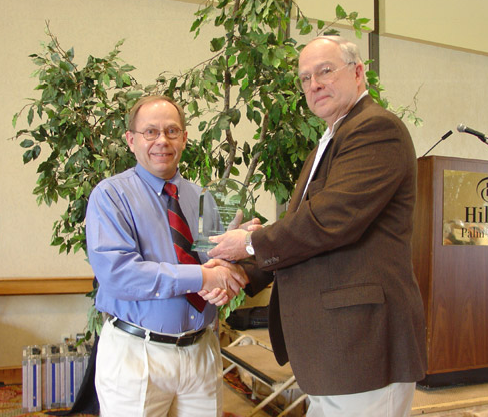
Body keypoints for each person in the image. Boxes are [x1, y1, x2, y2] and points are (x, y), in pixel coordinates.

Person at [206, 35, 427, 416]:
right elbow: (305, 235)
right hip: (333, 352)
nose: (314, 84)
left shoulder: (375, 129)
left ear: (358, 73)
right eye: (305, 78)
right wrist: (243, 272)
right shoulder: (330, 140)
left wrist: (250, 243)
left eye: (325, 71)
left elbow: (330, 220)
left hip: (363, 348)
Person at [85, 95, 248, 417]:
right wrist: (204, 276)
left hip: (201, 351)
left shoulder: (203, 198)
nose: (162, 140)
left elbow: (212, 264)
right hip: (137, 355)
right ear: (131, 140)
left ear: (185, 139)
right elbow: (119, 275)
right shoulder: (110, 195)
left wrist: (231, 262)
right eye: (150, 132)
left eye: (172, 131)